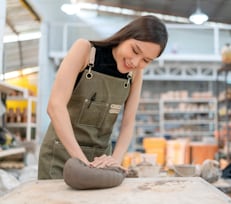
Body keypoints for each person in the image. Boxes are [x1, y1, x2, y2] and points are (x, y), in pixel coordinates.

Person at [38, 15, 168, 179]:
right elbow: (55, 107)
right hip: (61, 155)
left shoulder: (135, 74)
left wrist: (114, 161)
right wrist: (81, 163)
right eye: (135, 50)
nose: (135, 62)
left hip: (101, 161)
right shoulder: (85, 50)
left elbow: (128, 123)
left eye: (146, 60)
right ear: (124, 36)